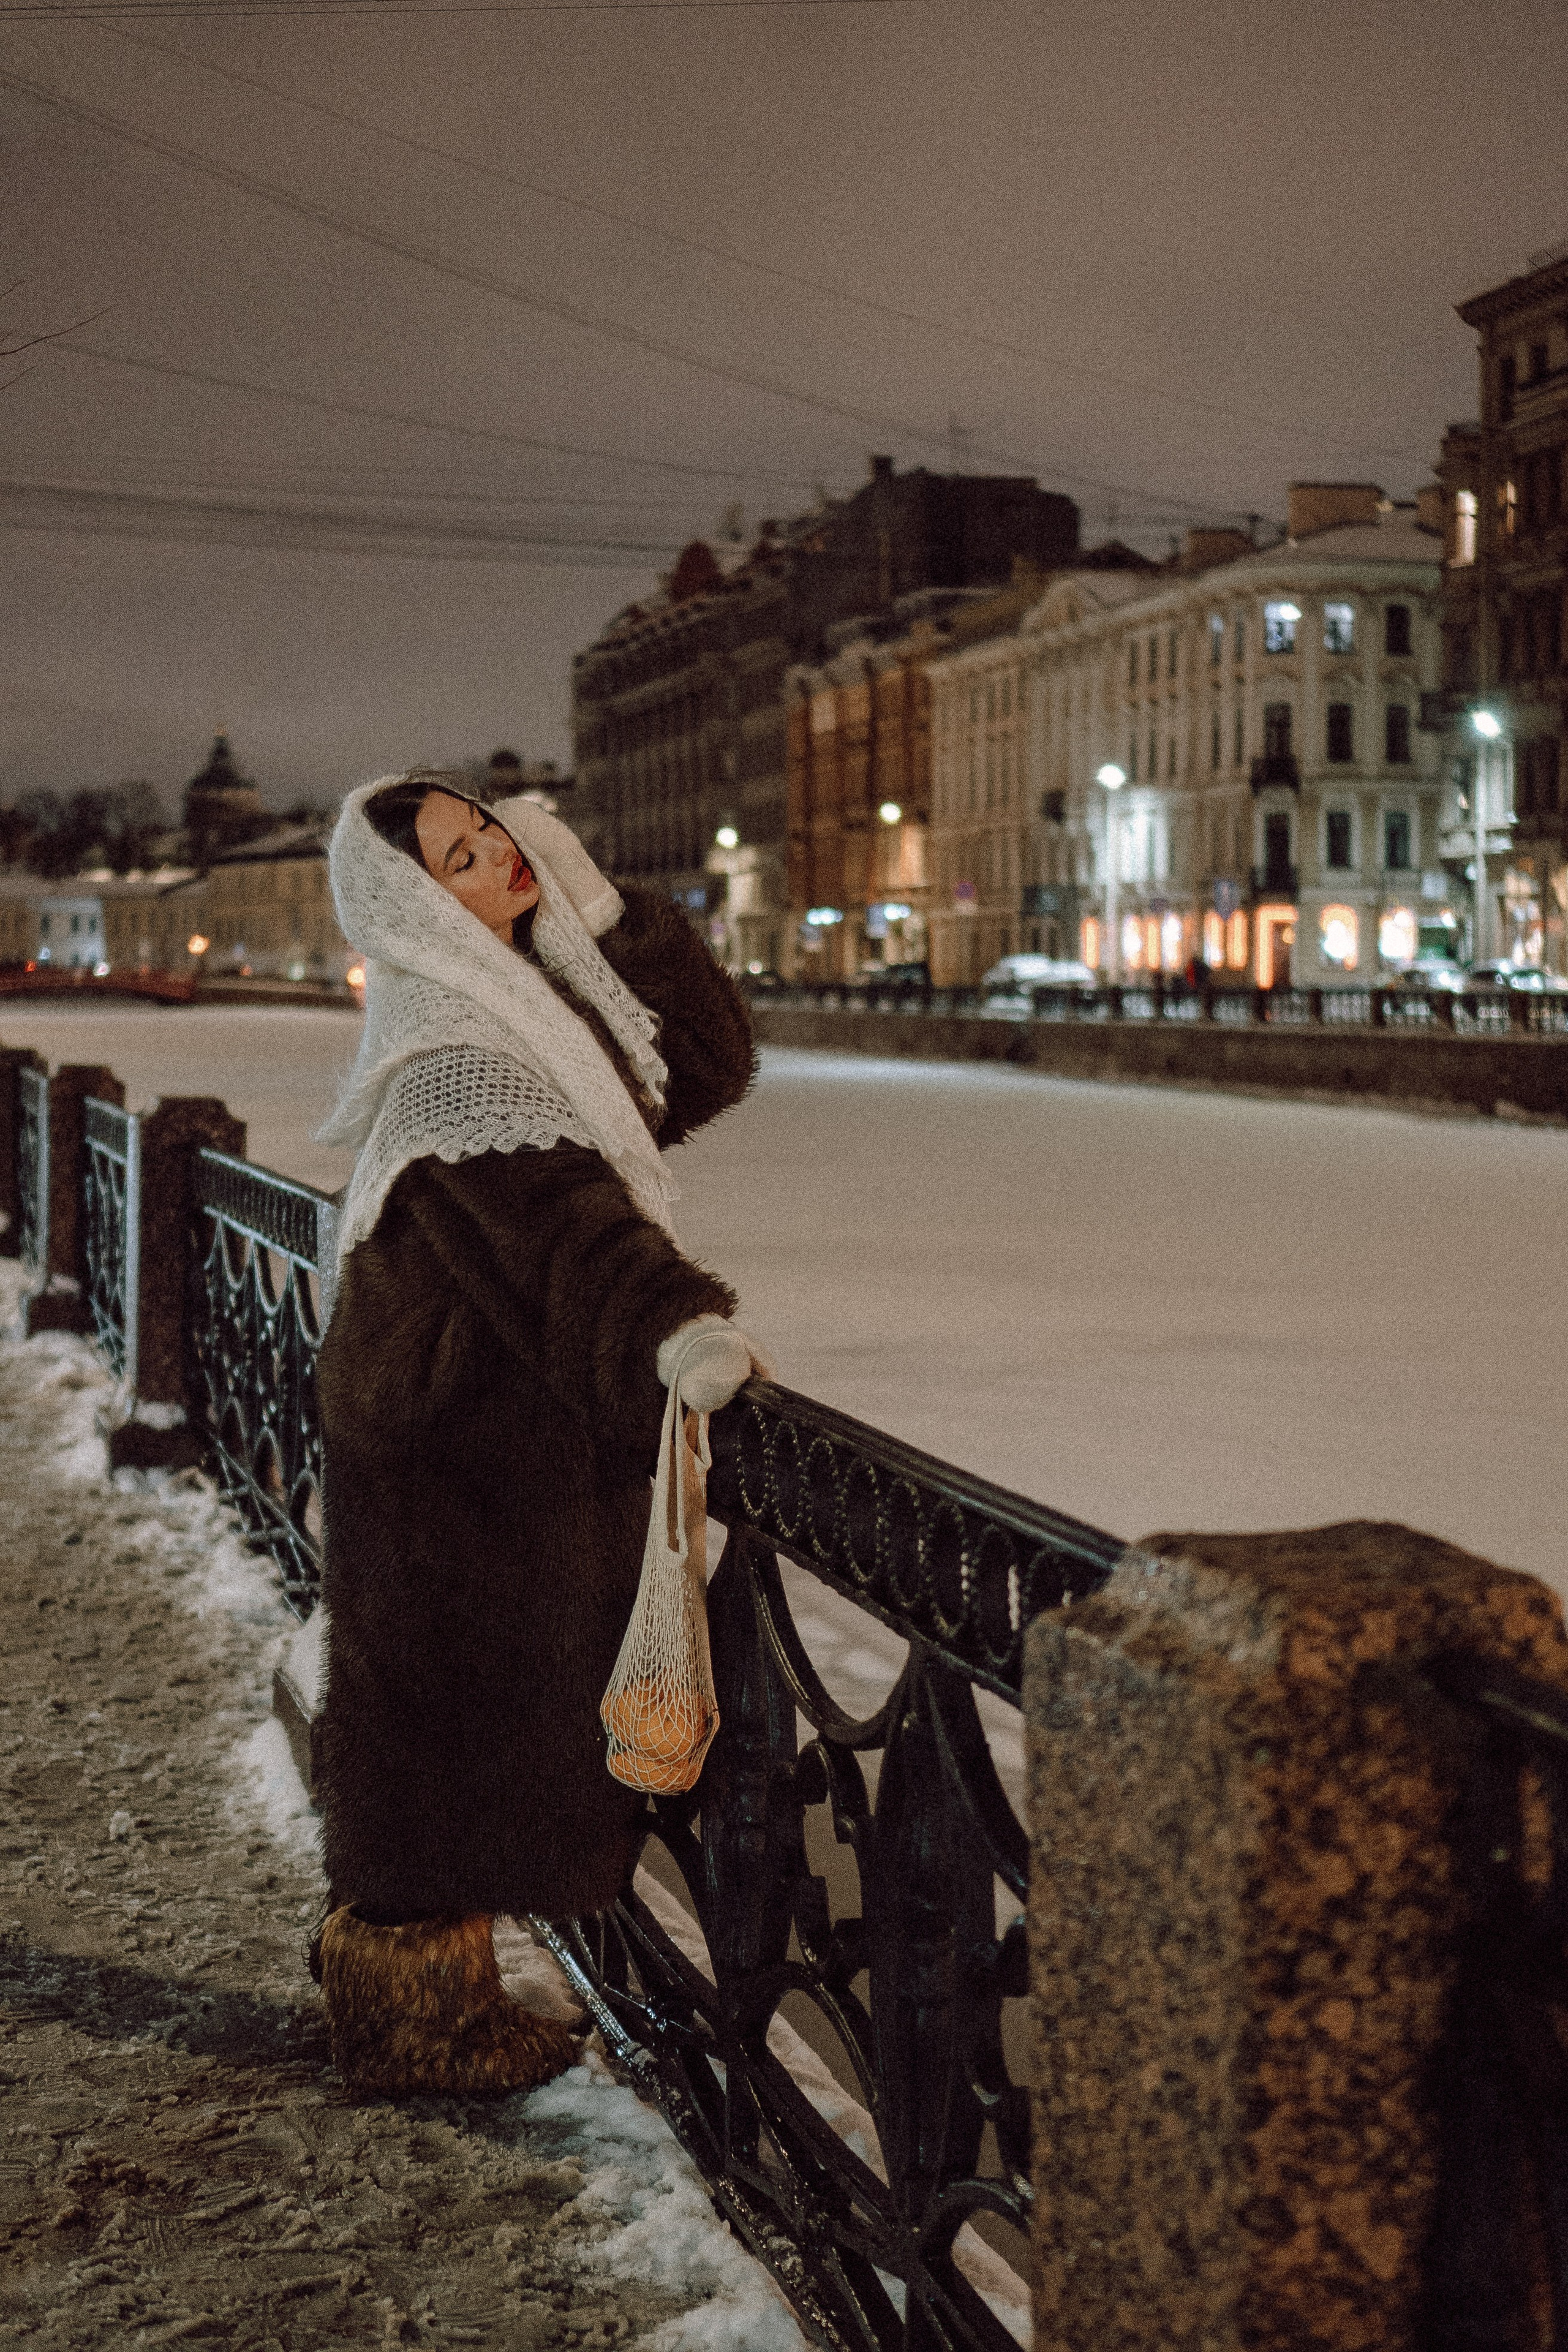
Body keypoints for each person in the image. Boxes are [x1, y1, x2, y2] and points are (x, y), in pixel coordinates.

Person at [311, 770, 762, 2097]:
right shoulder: (456, 1058)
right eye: (459, 860)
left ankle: (416, 2001)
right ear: (411, 909)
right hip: (455, 1449)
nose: (497, 860)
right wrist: (674, 1328)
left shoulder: (523, 1008)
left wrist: (605, 904)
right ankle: (416, 2022)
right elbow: (560, 1221)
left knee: (449, 1733)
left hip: (464, 1425)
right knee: (446, 1740)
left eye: (490, 835)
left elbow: (691, 1069)